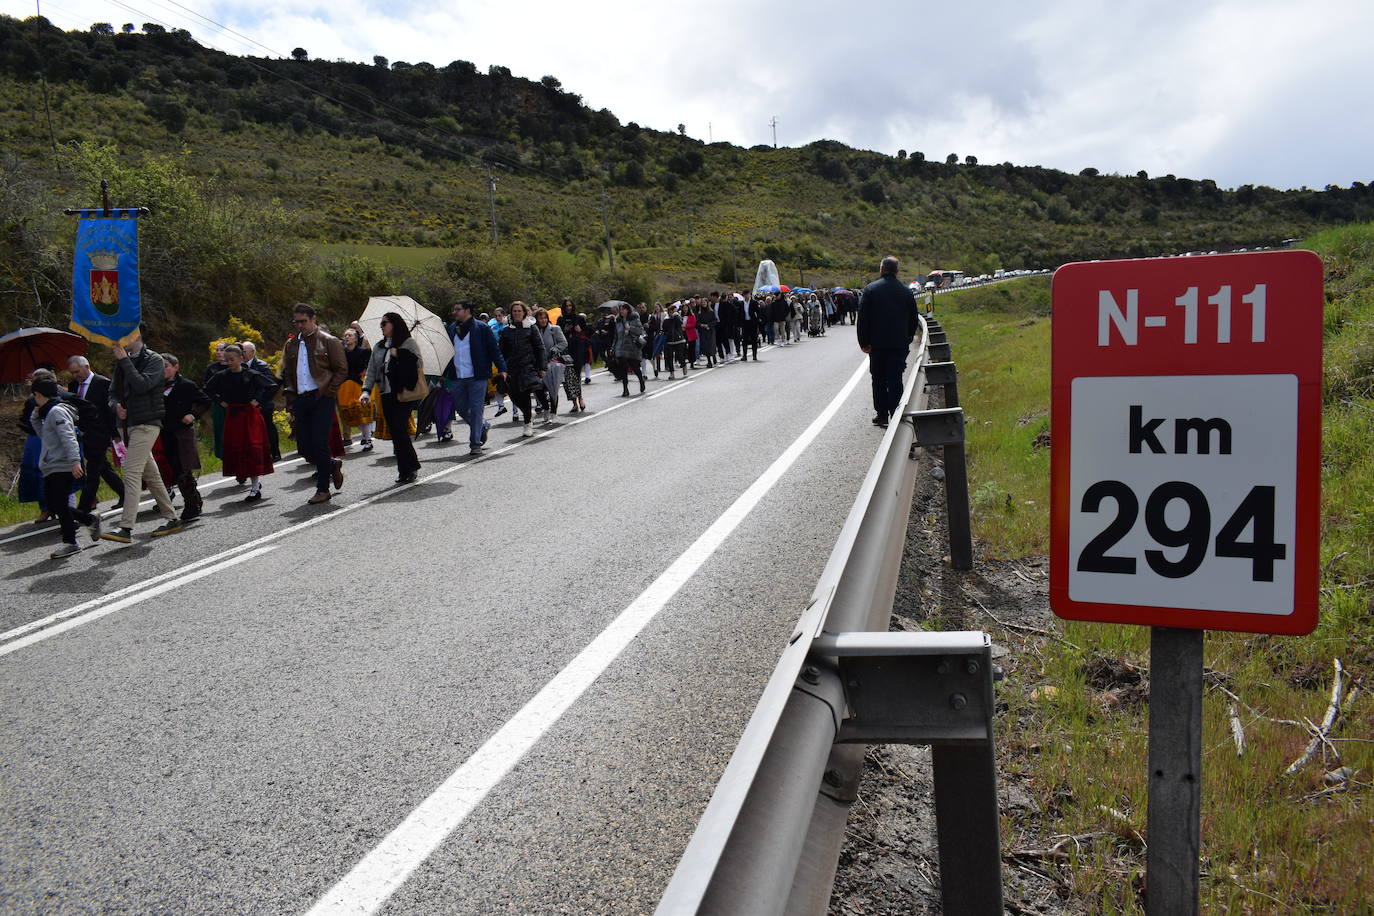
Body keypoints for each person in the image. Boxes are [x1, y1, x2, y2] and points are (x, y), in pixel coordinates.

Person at [101, 330, 182, 542]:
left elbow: (142, 385)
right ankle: (171, 517)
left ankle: (126, 527)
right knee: (152, 474)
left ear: (135, 337)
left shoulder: (154, 360)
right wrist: (115, 406)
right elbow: (111, 393)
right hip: (126, 424)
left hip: (147, 423)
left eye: (123, 337)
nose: (118, 342)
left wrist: (123, 361)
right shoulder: (122, 362)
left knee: (131, 470)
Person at [281, 303, 347, 505]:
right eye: (297, 321)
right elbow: (288, 374)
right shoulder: (292, 344)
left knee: (319, 442)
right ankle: (331, 464)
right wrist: (291, 399)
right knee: (305, 446)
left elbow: (341, 370)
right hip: (301, 399)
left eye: (303, 321)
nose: (300, 325)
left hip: (321, 397)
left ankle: (323, 489)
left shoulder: (328, 341)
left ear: (313, 319)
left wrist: (328, 393)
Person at [28, 377, 100, 559]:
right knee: (54, 504)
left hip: (62, 465)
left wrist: (75, 461)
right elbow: (43, 435)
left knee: (59, 504)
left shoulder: (56, 412)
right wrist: (35, 416)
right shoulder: (49, 412)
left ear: (37, 394)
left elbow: (68, 437)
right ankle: (88, 520)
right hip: (54, 466)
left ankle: (71, 542)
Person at [857, 256, 921, 428]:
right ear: (897, 271)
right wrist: (907, 339)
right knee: (895, 379)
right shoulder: (906, 292)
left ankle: (882, 415)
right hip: (898, 345)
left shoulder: (870, 290)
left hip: (876, 345)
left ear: (881, 269)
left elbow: (863, 319)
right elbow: (913, 320)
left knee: (878, 379)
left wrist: (864, 342)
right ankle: (896, 415)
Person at [205, 344, 276, 499]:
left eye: (232, 359)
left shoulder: (251, 374)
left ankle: (255, 486)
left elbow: (271, 386)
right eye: (227, 359)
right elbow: (207, 389)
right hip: (233, 415)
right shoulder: (222, 375)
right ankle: (247, 479)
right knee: (239, 448)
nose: (229, 362)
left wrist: (258, 400)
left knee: (251, 448)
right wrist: (220, 401)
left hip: (250, 415)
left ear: (241, 358)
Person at [361, 312, 424, 483]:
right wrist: (366, 390)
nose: (382, 326)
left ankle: (411, 466)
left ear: (394, 324)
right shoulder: (379, 346)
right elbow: (372, 369)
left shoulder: (408, 343)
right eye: (381, 324)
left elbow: (418, 363)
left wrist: (399, 354)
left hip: (403, 393)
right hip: (386, 393)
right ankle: (404, 470)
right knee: (395, 432)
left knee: (400, 429)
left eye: (385, 323)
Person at [65, 355, 125, 514]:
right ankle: (125, 493)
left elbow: (109, 412)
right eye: (72, 373)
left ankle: (83, 508)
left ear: (87, 366)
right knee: (103, 467)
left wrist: (114, 434)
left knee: (93, 471)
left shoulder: (103, 383)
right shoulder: (73, 386)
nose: (75, 375)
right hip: (84, 433)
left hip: (100, 433)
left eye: (77, 371)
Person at [446, 300, 507, 455]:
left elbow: (494, 350)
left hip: (477, 376)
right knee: (460, 408)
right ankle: (483, 426)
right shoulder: (452, 328)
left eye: (457, 309)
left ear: (467, 311)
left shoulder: (482, 328)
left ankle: (475, 444)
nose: (455, 312)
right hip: (457, 376)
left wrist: (502, 369)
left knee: (476, 410)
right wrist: (444, 373)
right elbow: (447, 352)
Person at [158, 355, 211, 519]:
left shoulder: (186, 385)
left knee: (184, 469)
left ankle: (192, 504)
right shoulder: (155, 387)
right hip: (164, 432)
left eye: (166, 365)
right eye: (159, 366)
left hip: (183, 432)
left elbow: (205, 401)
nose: (163, 369)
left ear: (176, 367)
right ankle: (190, 500)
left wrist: (193, 414)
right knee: (172, 469)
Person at [498, 301, 547, 437]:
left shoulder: (531, 328)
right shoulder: (506, 331)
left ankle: (527, 424)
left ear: (524, 312)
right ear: (511, 313)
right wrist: (502, 368)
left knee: (525, 395)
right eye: (514, 311)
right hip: (512, 369)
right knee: (514, 396)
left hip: (528, 367)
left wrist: (543, 367)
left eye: (519, 311)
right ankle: (528, 412)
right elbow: (501, 351)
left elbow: (540, 348)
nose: (517, 313)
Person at [240, 341, 282, 461]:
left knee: (268, 427)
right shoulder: (241, 366)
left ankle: (275, 453)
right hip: (249, 404)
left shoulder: (261, 365)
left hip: (263, 403)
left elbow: (270, 385)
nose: (242, 354)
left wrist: (259, 400)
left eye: (244, 351)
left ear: (252, 352)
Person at [339, 327, 374, 450]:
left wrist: (366, 370)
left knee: (361, 411)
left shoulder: (363, 351)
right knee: (350, 414)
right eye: (345, 335)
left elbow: (371, 362)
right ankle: (366, 435)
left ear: (355, 338)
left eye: (350, 335)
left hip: (359, 384)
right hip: (345, 386)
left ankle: (368, 439)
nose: (347, 337)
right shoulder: (341, 352)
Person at [534, 307, 569, 420]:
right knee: (538, 387)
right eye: (540, 318)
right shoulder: (533, 330)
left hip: (553, 361)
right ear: (537, 319)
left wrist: (555, 349)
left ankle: (553, 411)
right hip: (539, 363)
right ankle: (545, 407)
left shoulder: (555, 329)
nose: (543, 320)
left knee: (552, 387)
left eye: (545, 318)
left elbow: (563, 343)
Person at [558, 307, 594, 387]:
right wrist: (566, 329)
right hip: (570, 346)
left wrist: (580, 330)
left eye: (584, 318)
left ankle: (586, 377)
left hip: (584, 346)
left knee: (586, 361)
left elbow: (590, 334)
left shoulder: (588, 326)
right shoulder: (562, 321)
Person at [661, 304, 688, 380]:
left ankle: (683, 365)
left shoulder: (677, 317)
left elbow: (680, 323)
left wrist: (676, 316)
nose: (672, 312)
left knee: (680, 356)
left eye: (674, 311)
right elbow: (664, 329)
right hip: (669, 341)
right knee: (669, 358)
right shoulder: (666, 320)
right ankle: (672, 373)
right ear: (669, 311)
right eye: (671, 311)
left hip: (679, 340)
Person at [695, 299, 718, 368]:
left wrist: (708, 325)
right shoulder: (699, 313)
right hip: (703, 332)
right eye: (702, 302)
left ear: (707, 303)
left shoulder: (711, 312)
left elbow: (715, 321)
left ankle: (714, 356)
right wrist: (701, 325)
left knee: (712, 345)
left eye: (705, 302)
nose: (704, 303)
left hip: (711, 331)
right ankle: (709, 361)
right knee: (706, 346)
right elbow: (697, 323)